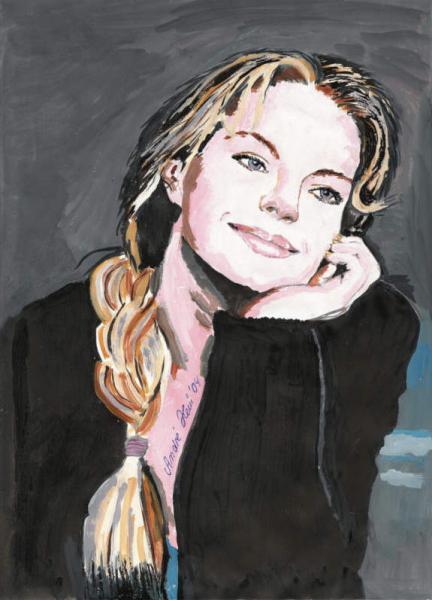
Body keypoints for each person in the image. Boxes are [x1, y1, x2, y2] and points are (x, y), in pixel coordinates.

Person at [8, 50, 420, 599]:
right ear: (177, 173)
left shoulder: (374, 341)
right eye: (253, 161)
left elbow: (288, 583)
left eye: (324, 191)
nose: (284, 205)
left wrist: (270, 337)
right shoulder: (45, 342)